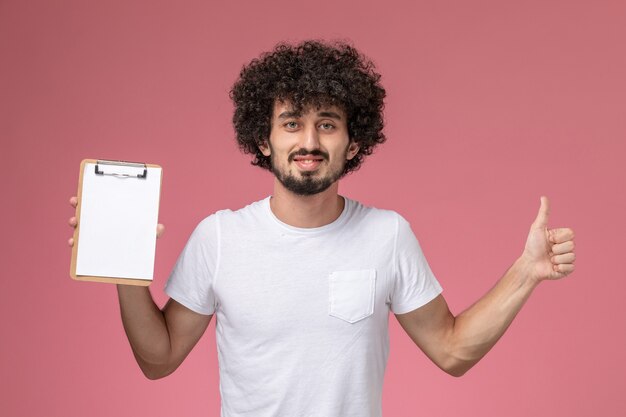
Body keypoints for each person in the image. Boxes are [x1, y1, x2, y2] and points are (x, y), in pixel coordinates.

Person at [68, 40, 576, 417]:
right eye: (291, 123)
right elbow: (158, 360)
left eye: (328, 124)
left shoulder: (387, 235)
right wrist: (123, 267)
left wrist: (527, 271)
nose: (308, 140)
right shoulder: (218, 238)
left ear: (353, 144)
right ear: (263, 140)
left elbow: (451, 349)